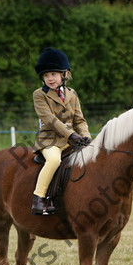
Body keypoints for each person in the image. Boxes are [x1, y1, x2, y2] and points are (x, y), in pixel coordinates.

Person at [31, 47, 92, 215]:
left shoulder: (72, 94)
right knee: (54, 161)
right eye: (46, 75)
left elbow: (79, 119)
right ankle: (39, 198)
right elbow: (50, 119)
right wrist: (71, 134)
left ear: (64, 74)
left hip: (71, 140)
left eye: (53, 74)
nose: (50, 78)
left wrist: (86, 136)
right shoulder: (39, 95)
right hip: (50, 140)